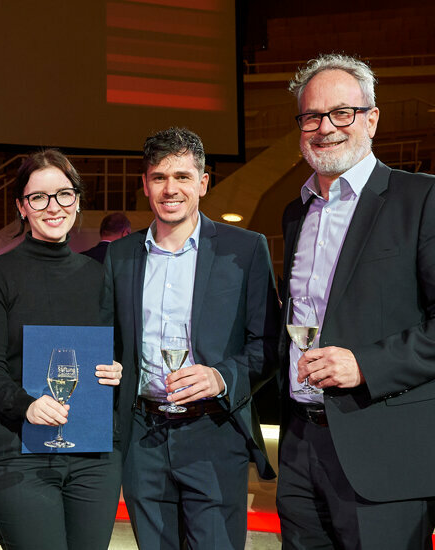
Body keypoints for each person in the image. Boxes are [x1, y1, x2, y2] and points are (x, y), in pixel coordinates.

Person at [277, 53, 435, 550]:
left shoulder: (422, 199)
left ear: (371, 118)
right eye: (311, 116)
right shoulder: (295, 212)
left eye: (341, 113)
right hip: (301, 448)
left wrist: (365, 364)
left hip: (384, 457)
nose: (325, 127)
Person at [102, 128, 279, 549]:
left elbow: (270, 343)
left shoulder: (246, 249)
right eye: (159, 177)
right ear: (145, 185)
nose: (170, 188)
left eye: (182, 176)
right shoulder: (120, 256)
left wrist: (221, 378)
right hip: (143, 436)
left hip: (213, 432)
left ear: (202, 182)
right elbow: (108, 341)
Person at [0, 149, 123, 550]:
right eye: (39, 197)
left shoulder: (101, 277)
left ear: (77, 201)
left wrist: (117, 371)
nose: (53, 207)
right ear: (22, 207)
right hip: (20, 451)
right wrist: (27, 405)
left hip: (93, 456)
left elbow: (116, 353)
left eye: (64, 194)